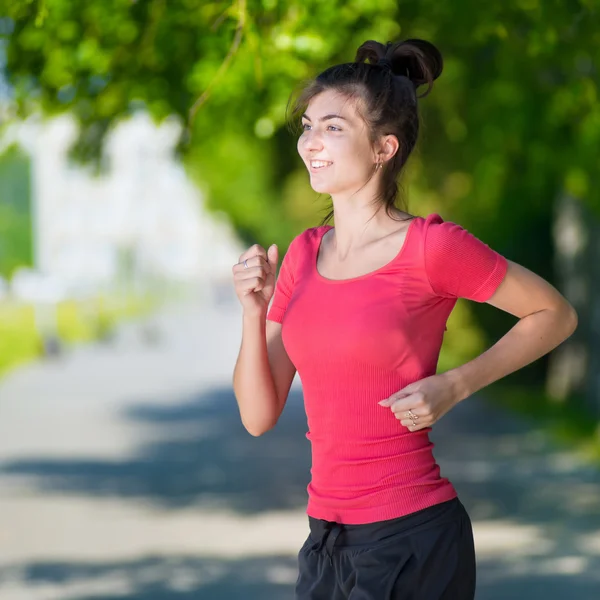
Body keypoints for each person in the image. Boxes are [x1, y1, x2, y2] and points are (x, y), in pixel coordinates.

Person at [231, 38, 578, 600]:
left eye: (333, 127)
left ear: (383, 148)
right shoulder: (301, 254)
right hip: (326, 543)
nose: (311, 142)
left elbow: (555, 313)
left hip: (412, 538)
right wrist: (252, 313)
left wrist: (456, 384)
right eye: (308, 125)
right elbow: (256, 415)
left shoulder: (432, 248)